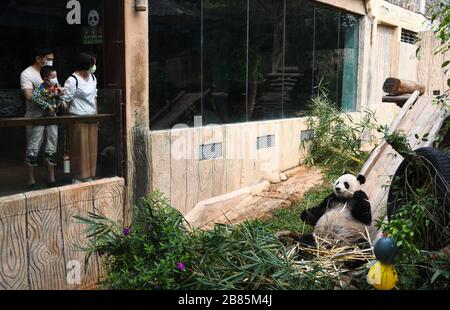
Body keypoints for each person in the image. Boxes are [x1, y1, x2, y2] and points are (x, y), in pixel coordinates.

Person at [20, 48, 58, 189]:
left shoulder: (51, 72)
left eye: (52, 58)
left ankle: (51, 178)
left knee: (51, 146)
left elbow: (56, 89)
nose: (50, 61)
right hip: (35, 116)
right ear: (38, 58)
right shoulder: (27, 74)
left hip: (52, 116)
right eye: (48, 58)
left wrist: (59, 98)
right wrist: (51, 97)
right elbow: (29, 96)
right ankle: (31, 180)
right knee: (33, 147)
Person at [62, 52, 98, 183]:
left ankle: (89, 175)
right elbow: (65, 101)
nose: (94, 67)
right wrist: (68, 118)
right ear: (85, 65)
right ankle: (78, 176)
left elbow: (95, 97)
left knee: (91, 148)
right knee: (80, 148)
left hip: (91, 117)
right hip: (77, 118)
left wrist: (97, 116)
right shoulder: (72, 80)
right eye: (92, 64)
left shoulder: (93, 78)